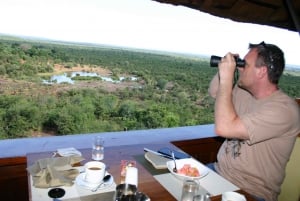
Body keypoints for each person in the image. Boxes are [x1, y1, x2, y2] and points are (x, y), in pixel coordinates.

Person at [208, 41, 300, 201]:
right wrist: (223, 73)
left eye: (245, 65)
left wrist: (228, 78)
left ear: (261, 72)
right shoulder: (244, 93)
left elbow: (224, 128)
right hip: (219, 173)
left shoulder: (284, 110)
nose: (240, 67)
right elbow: (215, 93)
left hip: (251, 191)